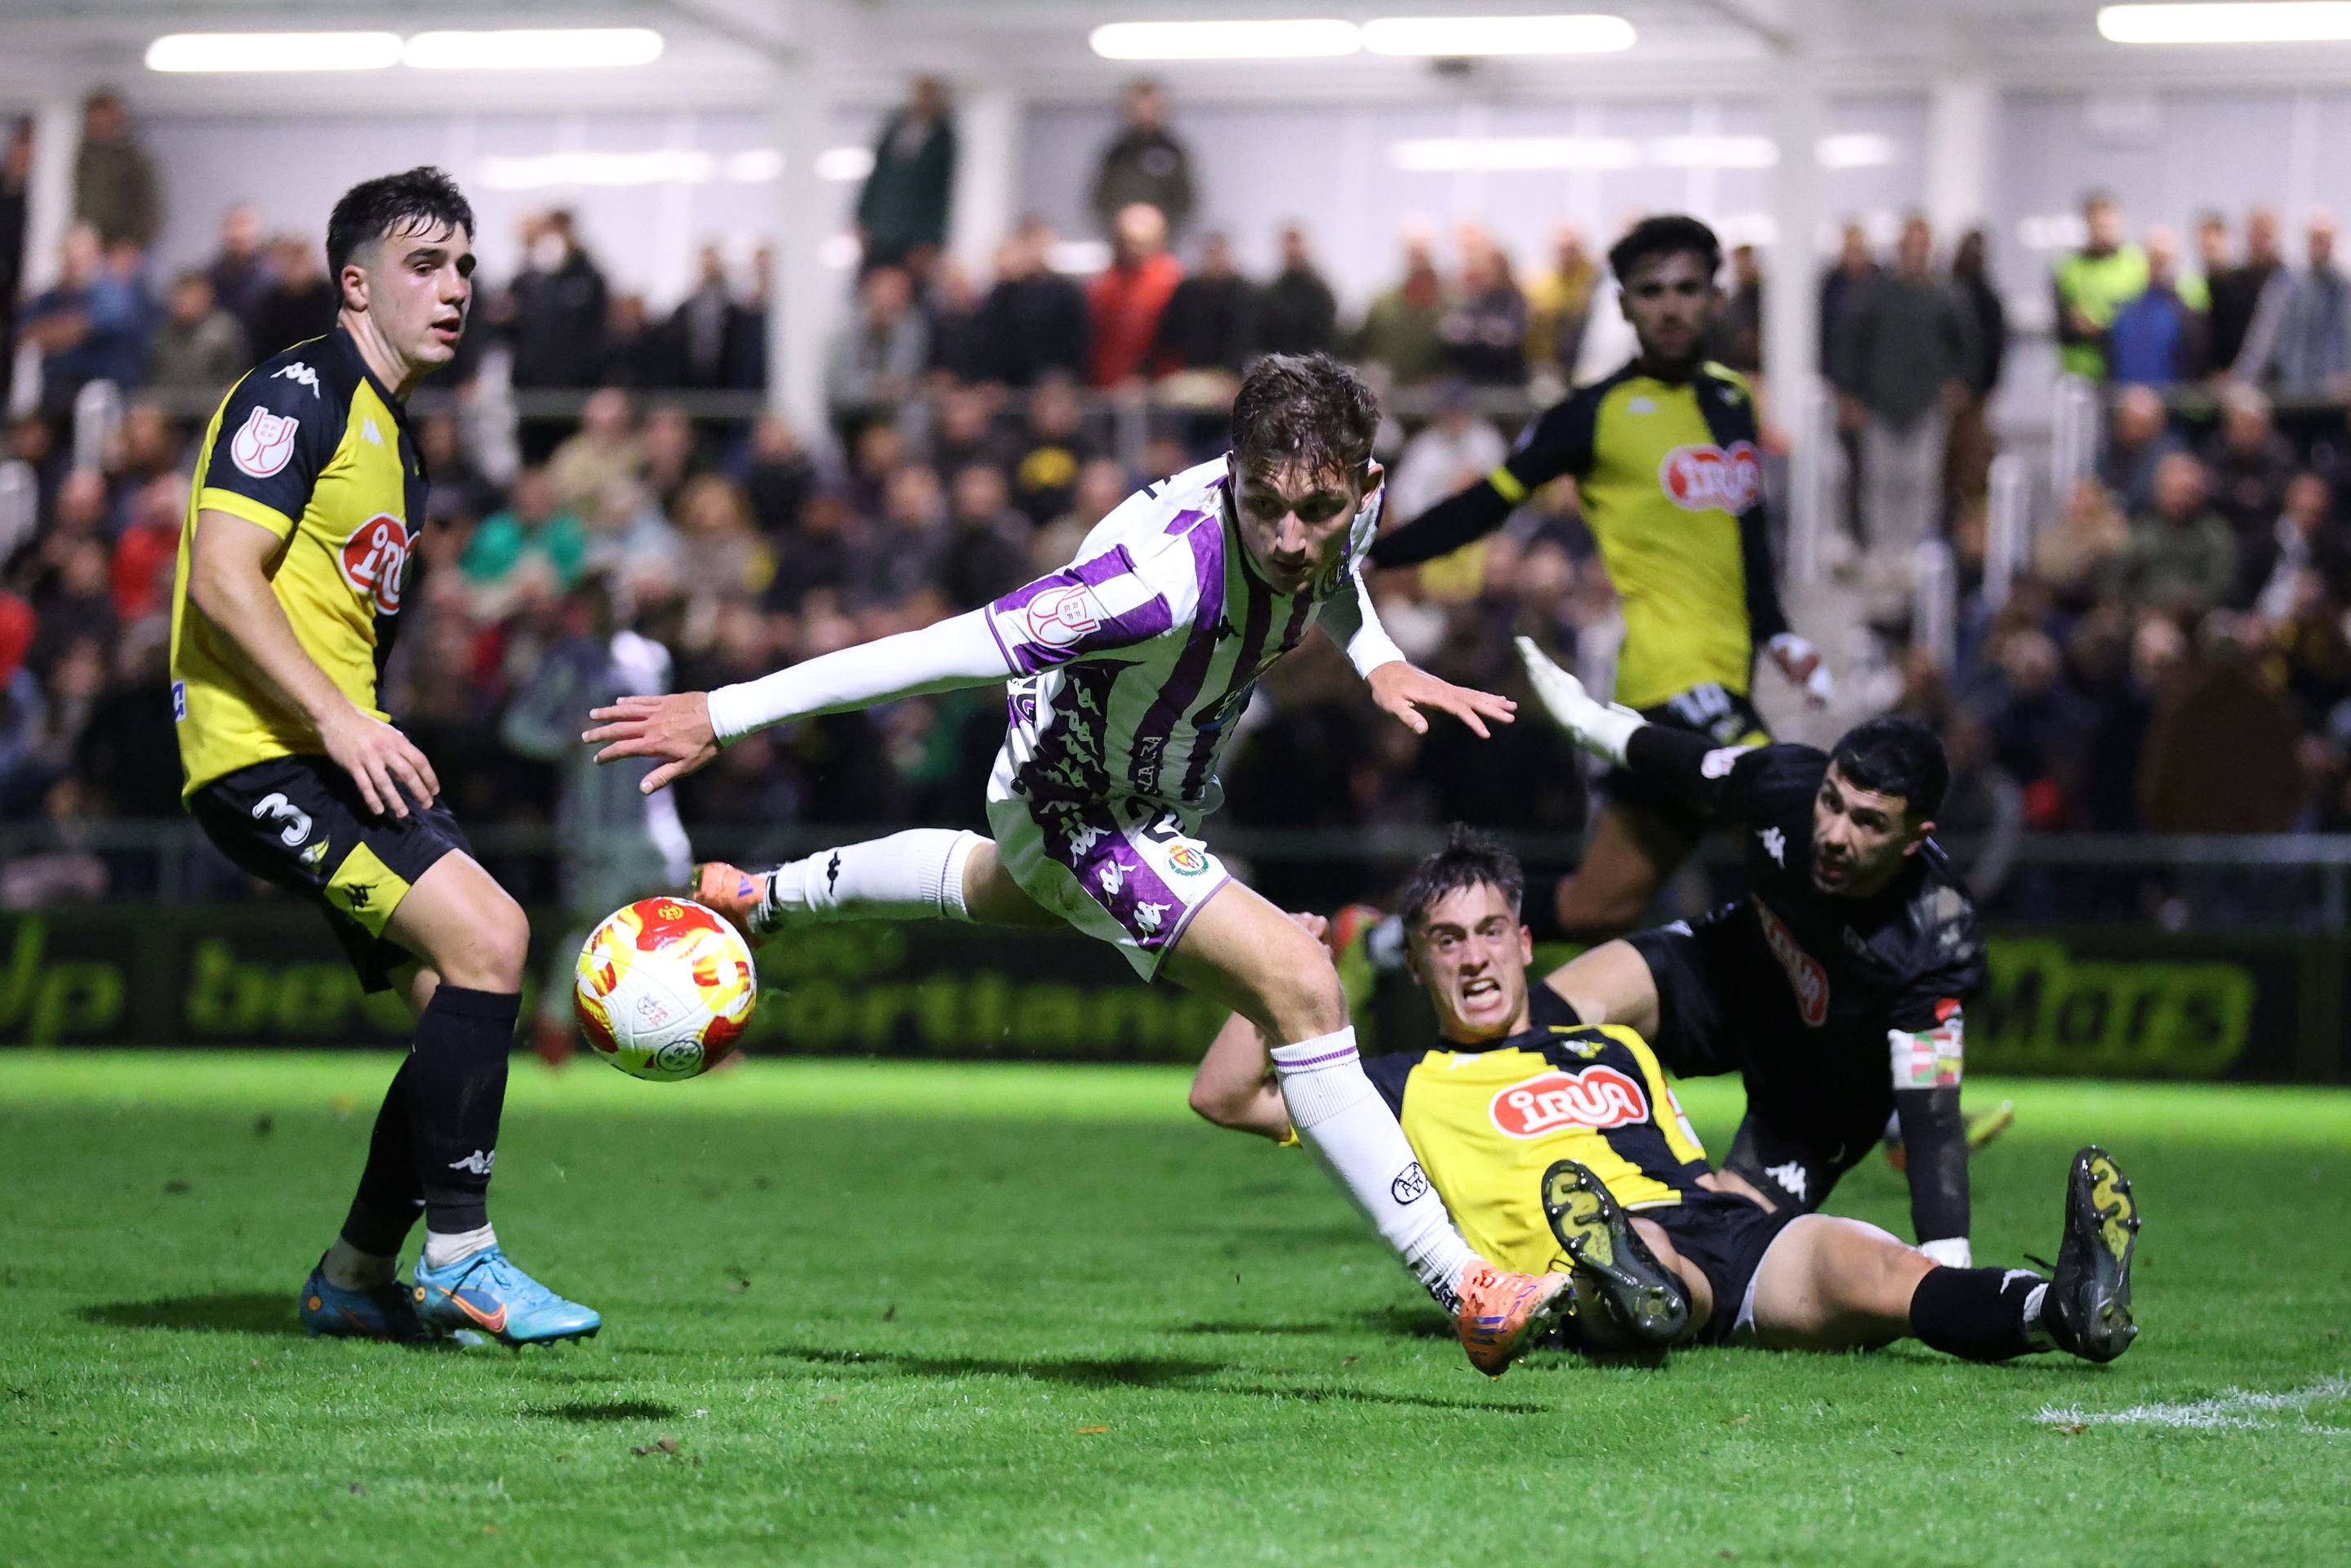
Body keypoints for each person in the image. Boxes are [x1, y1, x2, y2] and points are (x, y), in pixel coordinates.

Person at [587, 353, 1575, 1376]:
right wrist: (725, 710)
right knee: (1300, 982)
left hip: (1147, 791)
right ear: (1232, 470)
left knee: (999, 887)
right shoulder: (1146, 587)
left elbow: (1334, 573)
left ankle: (764, 895)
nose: (1290, 538)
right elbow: (931, 651)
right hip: (1080, 804)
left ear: (1364, 488)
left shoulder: (1331, 506)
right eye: (1264, 506)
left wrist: (1378, 660)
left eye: (1317, 510)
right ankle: (1466, 1285)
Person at [1191, 830, 2139, 1363]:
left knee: (1881, 1272)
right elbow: (1224, 1096)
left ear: (1524, 944)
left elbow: (1684, 1161)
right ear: (1423, 964)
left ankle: (2058, 1309)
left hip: (1716, 1230)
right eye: (1446, 940)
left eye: (1488, 933)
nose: (1473, 957)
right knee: (1636, 1251)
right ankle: (1625, 1289)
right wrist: (1279, 969)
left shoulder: (1612, 1043)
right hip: (1601, 1248)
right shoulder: (1395, 1086)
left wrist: (1746, 1197)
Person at [167, 167, 595, 1345]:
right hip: (268, 754)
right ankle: (461, 1257)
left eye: (463, 266)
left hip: (332, 754)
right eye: (424, 265)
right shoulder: (298, 391)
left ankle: (355, 1275)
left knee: (458, 998)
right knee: (492, 936)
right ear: (354, 284)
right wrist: (342, 720)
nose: (454, 287)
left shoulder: (393, 436)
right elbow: (218, 575)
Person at [1368, 215, 1826, 940]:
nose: (1670, 306)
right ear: (1622, 305)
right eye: (1650, 291)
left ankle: (1388, 939)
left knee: (1596, 906)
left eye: (1686, 288)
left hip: (1725, 678)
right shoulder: (1592, 413)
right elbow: (1490, 501)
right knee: (1808, 853)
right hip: (1672, 691)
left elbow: (1746, 536)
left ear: (1714, 297)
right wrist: (1378, 554)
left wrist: (1777, 634)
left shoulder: (1732, 398)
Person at [1511, 644, 1989, 1265]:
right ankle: (1477, 1191)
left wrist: (1949, 1275)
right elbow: (1679, 758)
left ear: (1914, 839)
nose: (1835, 835)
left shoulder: (1938, 939)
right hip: (1727, 973)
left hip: (1819, 1096)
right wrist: (1581, 717)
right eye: (1833, 803)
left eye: (1869, 823)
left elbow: (1932, 1125)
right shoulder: (1784, 785)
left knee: (1715, 1252)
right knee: (1540, 1019)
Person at [500, 575, 692, 1065]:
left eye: (625, 595)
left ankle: (692, 1025)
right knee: (594, 926)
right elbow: (518, 727)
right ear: (587, 606)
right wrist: (565, 740)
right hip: (593, 823)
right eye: (607, 597)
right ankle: (554, 1026)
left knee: (679, 918)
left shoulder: (653, 657)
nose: (619, 604)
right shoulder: (569, 659)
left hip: (657, 815)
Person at [1837, 214, 1975, 564]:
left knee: (1921, 479)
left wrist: (1957, 383)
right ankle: (1883, 550)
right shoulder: (1876, 293)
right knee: (1881, 480)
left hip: (1927, 402)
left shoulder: (1946, 295)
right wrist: (1851, 394)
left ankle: (1917, 551)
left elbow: (1966, 344)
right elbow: (1854, 343)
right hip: (1880, 401)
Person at [856, 76, 956, 273]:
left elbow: (941, 194)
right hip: (881, 230)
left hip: (913, 240)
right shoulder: (894, 128)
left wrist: (931, 241)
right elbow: (874, 180)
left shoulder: (943, 138)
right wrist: (862, 218)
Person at [2054, 192, 2148, 382]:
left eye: (2108, 224)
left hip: (2125, 370)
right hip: (2080, 372)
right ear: (2087, 224)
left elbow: (2140, 320)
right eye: (2098, 224)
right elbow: (2065, 321)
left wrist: (2099, 328)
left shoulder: (2137, 264)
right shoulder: (2068, 268)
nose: (2103, 231)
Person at [1089, 79, 1196, 239]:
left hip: (1162, 240)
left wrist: (1159, 227)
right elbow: (1102, 198)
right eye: (1138, 108)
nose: (1144, 113)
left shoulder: (1173, 150)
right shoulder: (1117, 152)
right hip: (1122, 238)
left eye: (1151, 108)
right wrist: (1123, 226)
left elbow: (1185, 200)